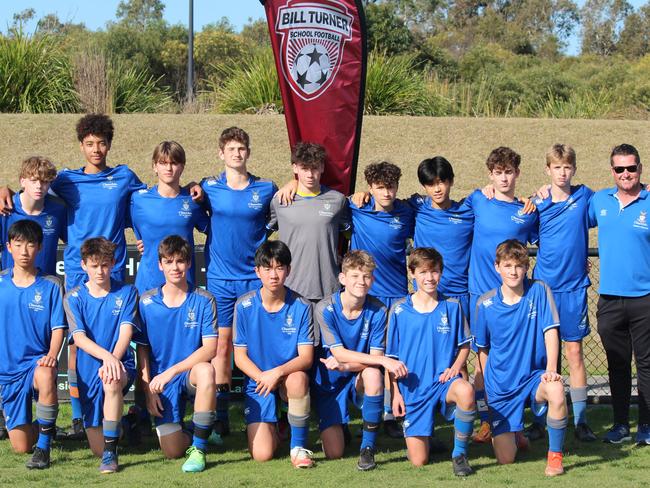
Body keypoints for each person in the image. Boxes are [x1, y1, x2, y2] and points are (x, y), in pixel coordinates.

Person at [200, 127, 277, 437]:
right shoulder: (207, 188)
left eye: (241, 148)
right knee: (221, 348)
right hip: (220, 280)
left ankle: (268, 412)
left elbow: (281, 208)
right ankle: (220, 416)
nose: (236, 153)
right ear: (221, 153)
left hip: (253, 279)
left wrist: (290, 185)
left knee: (259, 347)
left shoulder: (266, 188)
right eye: (230, 148)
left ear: (248, 152)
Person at [521, 144, 597, 442]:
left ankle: (581, 420)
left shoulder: (584, 196)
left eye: (567, 167)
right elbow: (521, 231)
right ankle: (540, 420)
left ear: (574, 169)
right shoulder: (538, 202)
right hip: (544, 289)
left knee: (574, 352)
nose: (562, 172)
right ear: (547, 170)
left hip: (575, 288)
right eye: (557, 167)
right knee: (541, 356)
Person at [474, 239, 567, 476]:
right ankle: (516, 433)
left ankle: (555, 457)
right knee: (506, 460)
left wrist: (551, 368)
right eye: (507, 266)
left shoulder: (539, 290)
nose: (513, 271)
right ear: (497, 267)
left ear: (526, 267)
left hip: (532, 378)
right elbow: (482, 350)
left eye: (518, 266)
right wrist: (487, 387)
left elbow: (551, 331)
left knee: (556, 389)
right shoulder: (484, 303)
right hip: (501, 386)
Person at [467, 147, 539, 442]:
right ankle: (486, 420)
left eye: (509, 172)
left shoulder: (526, 212)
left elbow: (547, 243)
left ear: (517, 173)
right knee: (481, 362)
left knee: (512, 361)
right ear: (490, 175)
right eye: (498, 173)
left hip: (513, 300)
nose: (504, 178)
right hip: (479, 296)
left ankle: (515, 423)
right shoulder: (477, 200)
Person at [312, 250, 408, 470]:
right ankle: (339, 425)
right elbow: (339, 354)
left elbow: (372, 360)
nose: (361, 281)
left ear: (372, 280)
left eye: (366, 276)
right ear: (343, 278)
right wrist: (383, 361)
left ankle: (367, 449)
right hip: (331, 382)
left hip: (358, 374)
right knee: (334, 453)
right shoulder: (324, 308)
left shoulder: (378, 309)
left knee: (374, 375)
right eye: (355, 276)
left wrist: (351, 365)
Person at [386, 247, 476, 476]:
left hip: (442, 382)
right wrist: (395, 393)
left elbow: (465, 344)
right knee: (419, 461)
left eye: (435, 271)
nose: (430, 278)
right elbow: (392, 358)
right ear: (412, 273)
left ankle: (460, 455)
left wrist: (455, 368)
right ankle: (424, 437)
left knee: (465, 391)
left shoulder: (452, 306)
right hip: (413, 388)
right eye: (424, 272)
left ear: (441, 273)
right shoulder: (399, 310)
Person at [135, 235, 218, 472]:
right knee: (172, 451)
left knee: (206, 371)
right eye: (169, 262)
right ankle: (198, 429)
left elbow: (210, 349)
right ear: (160, 265)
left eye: (180, 261)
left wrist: (172, 371)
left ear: (189, 263)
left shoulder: (204, 299)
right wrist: (148, 389)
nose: (175, 267)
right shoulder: (146, 302)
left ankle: (199, 449)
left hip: (186, 373)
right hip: (161, 381)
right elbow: (142, 349)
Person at [588, 143, 650, 445]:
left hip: (645, 298)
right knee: (617, 363)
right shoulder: (600, 200)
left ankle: (647, 427)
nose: (626, 174)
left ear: (640, 168)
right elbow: (567, 217)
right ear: (612, 171)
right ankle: (621, 424)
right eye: (619, 169)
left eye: (631, 167)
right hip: (610, 299)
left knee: (647, 365)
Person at [233, 240, 315, 468]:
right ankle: (279, 425)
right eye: (267, 268)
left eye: (279, 268)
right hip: (259, 381)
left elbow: (306, 358)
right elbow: (240, 357)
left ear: (288, 270)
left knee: (299, 379)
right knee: (262, 454)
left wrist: (276, 374)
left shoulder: (302, 305)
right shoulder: (244, 306)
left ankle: (298, 448)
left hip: (287, 377)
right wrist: (263, 377)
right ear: (257, 271)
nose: (274, 275)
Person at [63, 237, 139, 473]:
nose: (100, 271)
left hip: (120, 364)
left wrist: (113, 360)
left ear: (114, 263)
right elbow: (81, 339)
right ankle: (127, 423)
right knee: (96, 444)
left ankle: (109, 455)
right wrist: (107, 358)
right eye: (94, 265)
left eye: (105, 265)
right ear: (84, 265)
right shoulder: (73, 297)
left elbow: (126, 332)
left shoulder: (127, 292)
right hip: (89, 370)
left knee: (112, 380)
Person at [0, 220, 66, 469]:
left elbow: (58, 327)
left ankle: (44, 448)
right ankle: (44, 427)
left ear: (39, 247)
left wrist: (51, 354)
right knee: (20, 446)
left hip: (36, 363)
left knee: (47, 373)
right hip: (8, 370)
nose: (24, 251)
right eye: (18, 245)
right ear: (9, 247)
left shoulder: (51, 285)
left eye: (30, 245)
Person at [268, 142, 350, 302]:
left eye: (314, 168)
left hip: (328, 289)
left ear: (322, 168)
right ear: (295, 168)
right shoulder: (280, 201)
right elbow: (259, 234)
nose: (310, 175)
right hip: (289, 288)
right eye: (304, 168)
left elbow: (352, 234)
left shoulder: (337, 200)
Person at [130, 141, 209, 294]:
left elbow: (214, 230)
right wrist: (141, 241)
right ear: (154, 166)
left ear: (182, 166)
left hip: (184, 285)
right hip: (148, 284)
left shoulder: (192, 201)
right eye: (163, 163)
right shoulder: (138, 200)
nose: (168, 168)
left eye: (174, 163)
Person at [0, 156, 66, 275]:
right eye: (33, 180)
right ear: (22, 181)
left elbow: (73, 242)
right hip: (11, 285)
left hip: (45, 285)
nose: (39, 186)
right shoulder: (5, 208)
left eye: (45, 181)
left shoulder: (58, 210)